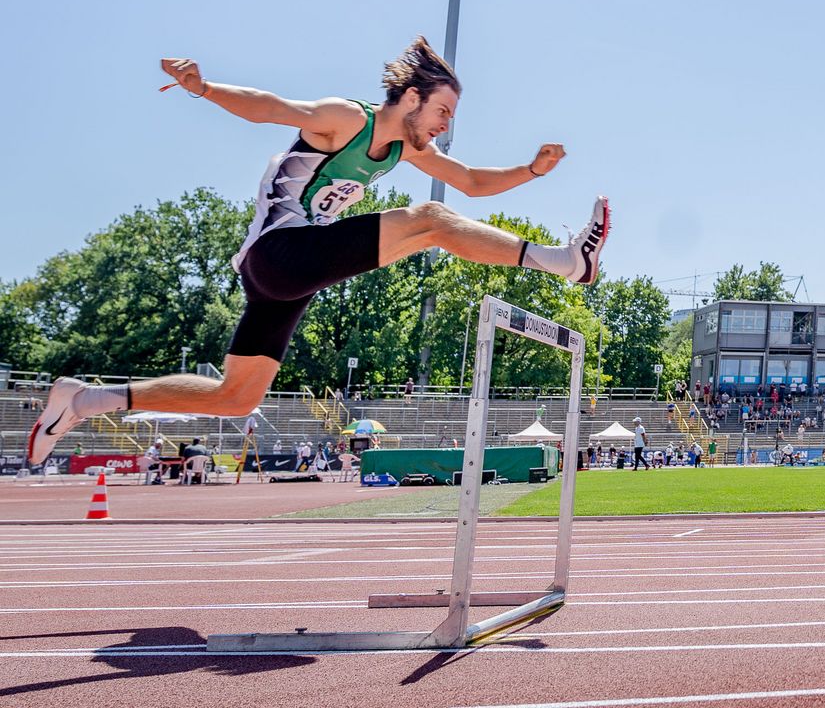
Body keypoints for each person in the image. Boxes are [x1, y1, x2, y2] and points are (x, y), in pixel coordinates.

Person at [26, 39, 612, 465]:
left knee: (237, 396)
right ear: (410, 98)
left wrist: (533, 170)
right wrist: (204, 88)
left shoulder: (401, 150)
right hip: (280, 253)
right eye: (441, 112)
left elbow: (472, 182)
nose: (443, 127)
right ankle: (565, 262)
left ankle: (84, 399)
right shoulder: (346, 119)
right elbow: (272, 106)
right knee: (429, 221)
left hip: (285, 278)